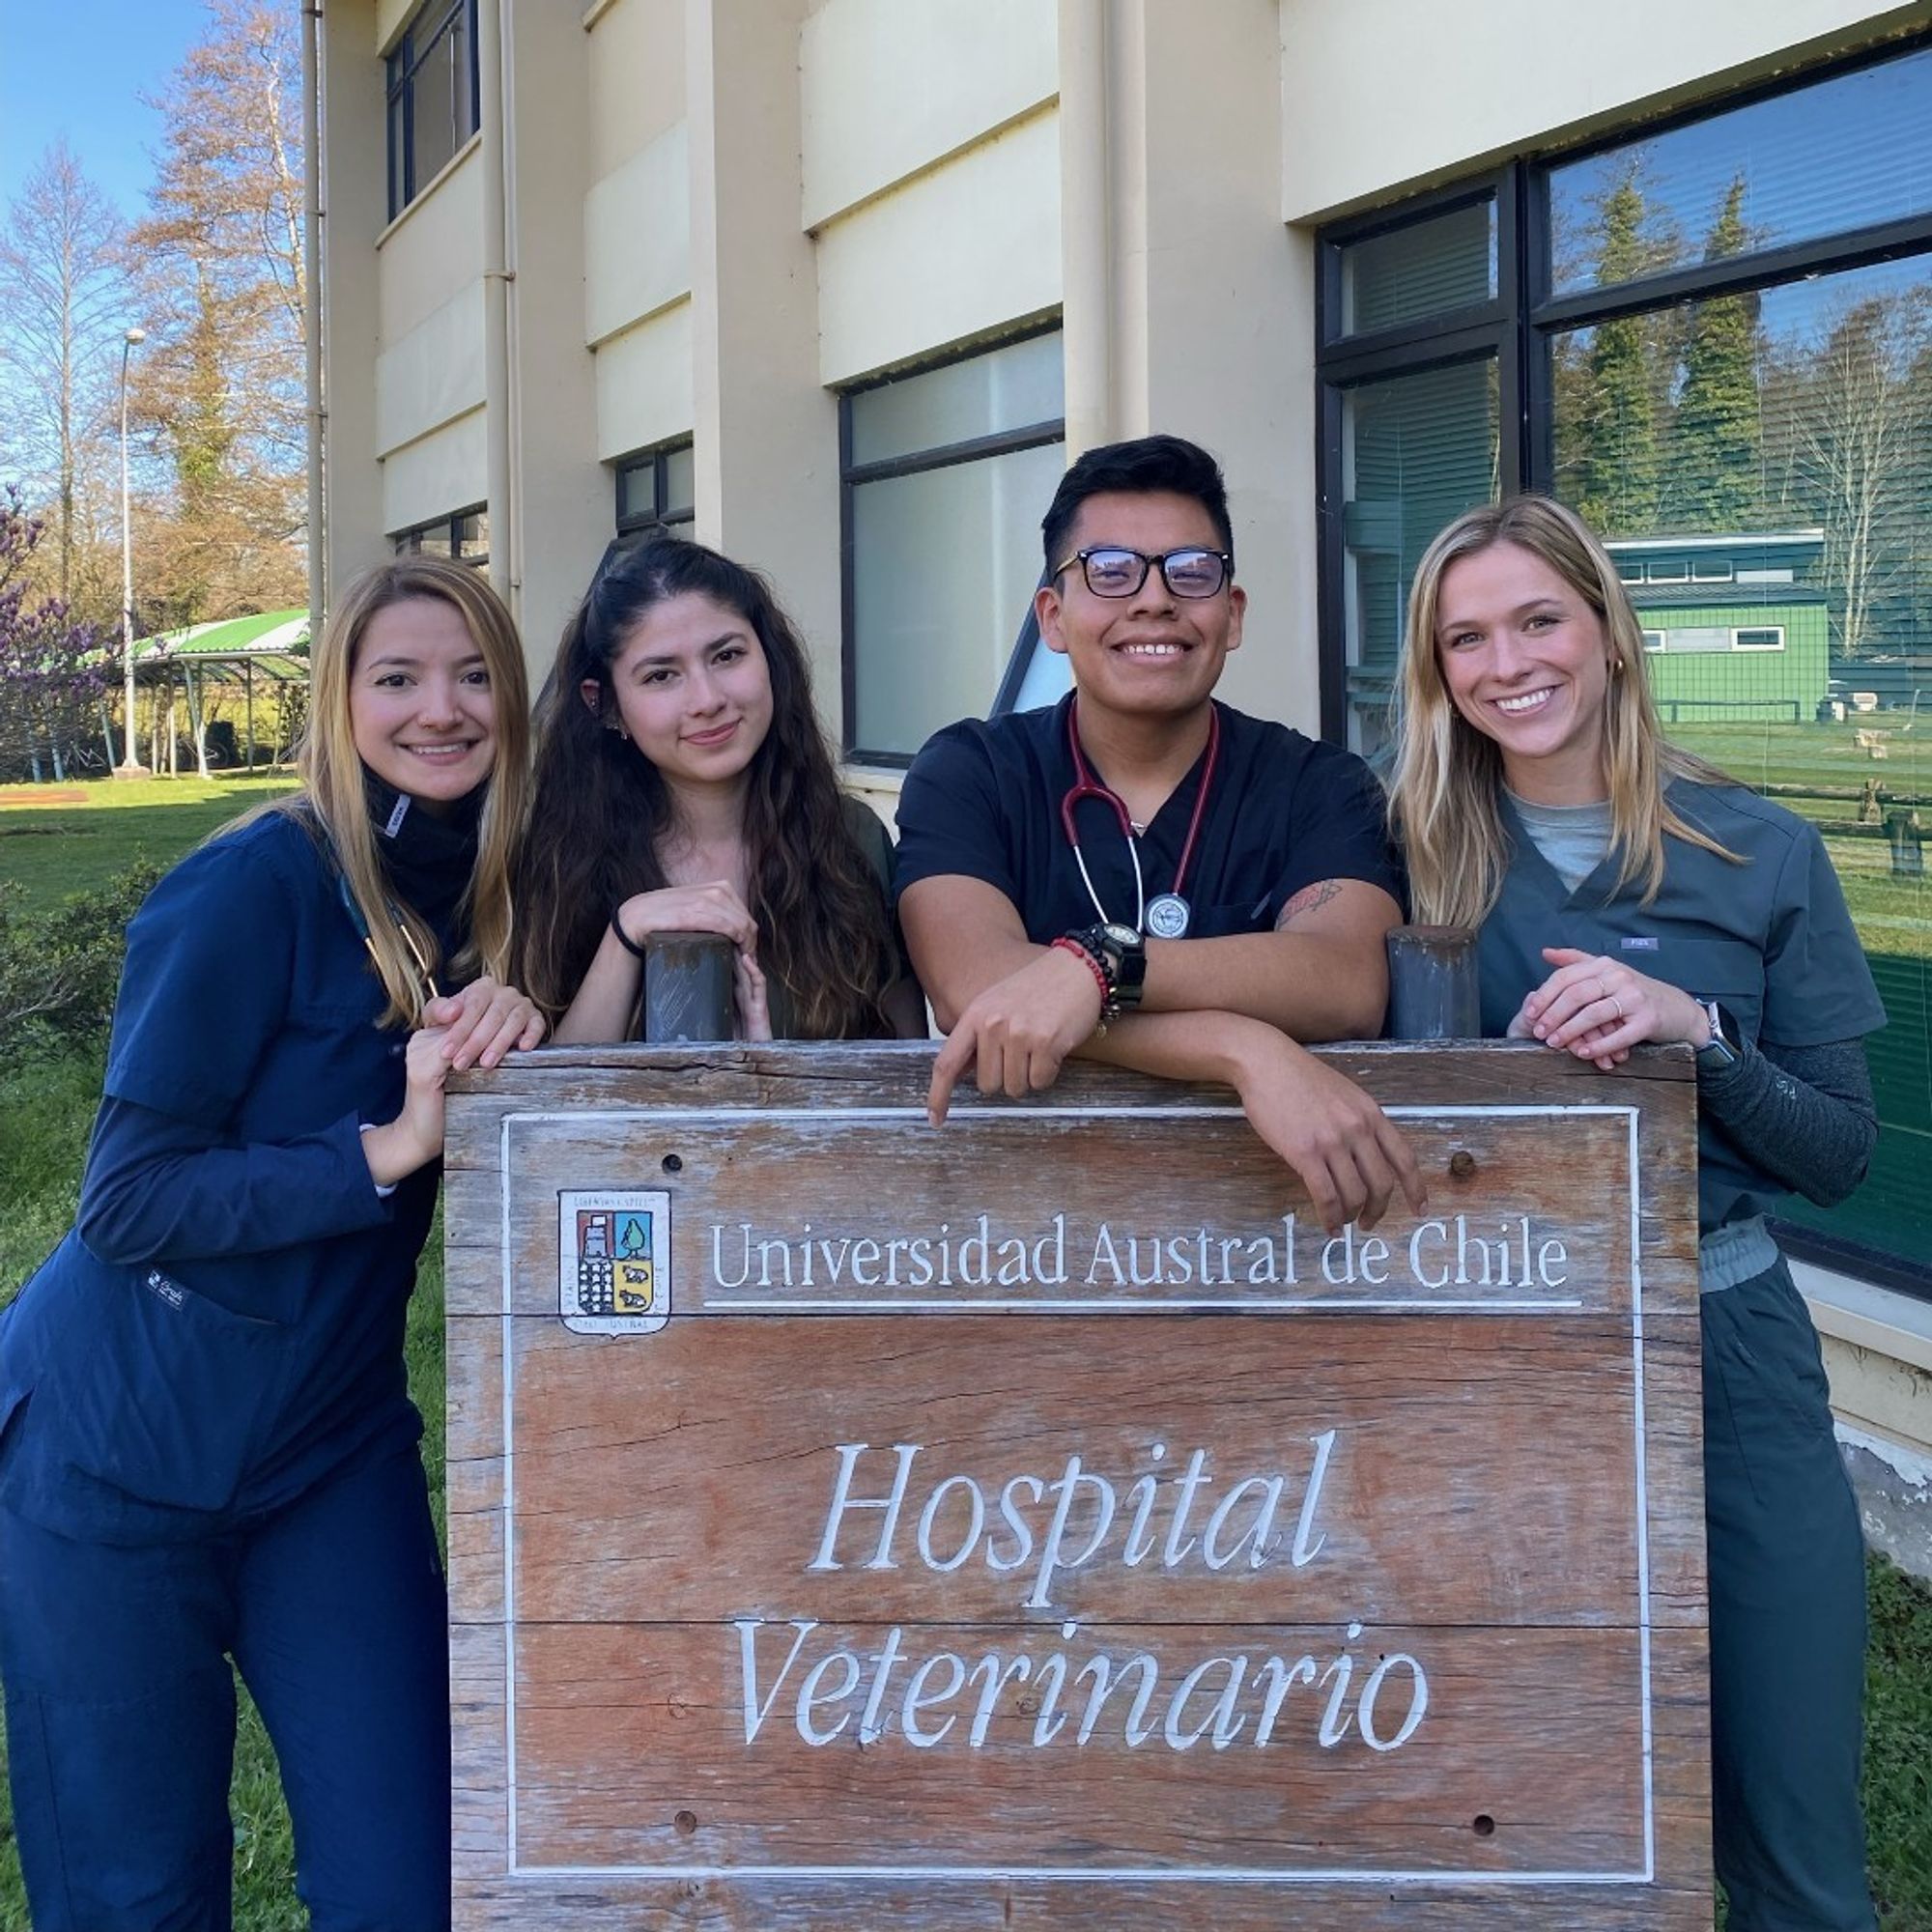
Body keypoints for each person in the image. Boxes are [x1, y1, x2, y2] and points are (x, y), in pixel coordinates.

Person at [0, 556, 545, 1931]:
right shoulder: (251, 886)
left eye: (475, 674)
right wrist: (385, 1148)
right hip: (108, 1459)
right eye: (400, 677)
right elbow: (127, 1200)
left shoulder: (501, 893)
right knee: (135, 1894)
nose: (443, 708)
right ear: (338, 702)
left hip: (325, 1451)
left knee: (415, 1885)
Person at [1388, 493, 1881, 1932]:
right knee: (1501, 1795)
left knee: (1789, 1807)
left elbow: (1844, 1155)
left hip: (1719, 1338)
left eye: (1539, 619)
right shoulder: (1395, 848)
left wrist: (1700, 1032)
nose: (1507, 663)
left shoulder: (1757, 848)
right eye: (1465, 637)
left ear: (1607, 630)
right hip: (1479, 1356)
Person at [896, 433, 1425, 1234]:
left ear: (1232, 613)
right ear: (1053, 615)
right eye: (1110, 571)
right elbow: (979, 990)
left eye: (1191, 571)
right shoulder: (972, 772)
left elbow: (1345, 982)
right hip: (1016, 1242)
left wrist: (1096, 971)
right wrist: (1241, 1049)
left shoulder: (1320, 784)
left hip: (1269, 1250)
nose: (1153, 600)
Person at [518, 534, 924, 1041]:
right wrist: (626, 933)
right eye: (662, 675)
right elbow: (550, 1100)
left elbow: (901, 1069)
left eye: (727, 655)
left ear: (769, 658)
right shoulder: (560, 854)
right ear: (605, 704)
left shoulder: (852, 837)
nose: (707, 699)